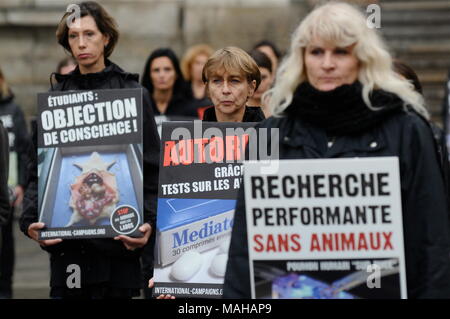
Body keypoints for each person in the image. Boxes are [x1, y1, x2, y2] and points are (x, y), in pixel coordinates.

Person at [223, 1, 450, 299]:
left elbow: (431, 242)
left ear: (362, 58)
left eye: (340, 52)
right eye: (316, 52)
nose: (327, 63)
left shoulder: (407, 130)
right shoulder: (270, 134)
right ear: (302, 59)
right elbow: (245, 244)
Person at [19, 1, 160, 299]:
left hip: (120, 247)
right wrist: (30, 218)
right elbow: (37, 170)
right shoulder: (56, 97)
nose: (81, 43)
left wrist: (148, 222)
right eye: (73, 36)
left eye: (90, 34)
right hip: (69, 251)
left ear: (106, 37)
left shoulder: (132, 94)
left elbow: (152, 169)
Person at [0, 66, 30, 299]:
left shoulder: (13, 110)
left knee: (6, 243)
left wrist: (20, 184)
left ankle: (5, 290)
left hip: (7, 188)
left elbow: (22, 149)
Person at [202, 47, 265, 122]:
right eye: (217, 81)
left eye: (234, 81)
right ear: (208, 89)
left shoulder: (272, 133)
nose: (225, 90)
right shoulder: (193, 133)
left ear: (251, 88)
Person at [142, 48, 197, 118]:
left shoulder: (190, 107)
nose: (162, 75)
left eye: (167, 69)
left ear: (176, 74)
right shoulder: (141, 106)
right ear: (149, 75)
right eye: (156, 70)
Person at [181, 44, 214, 114]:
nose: (201, 67)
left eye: (204, 63)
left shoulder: (215, 89)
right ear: (189, 66)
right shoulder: (180, 89)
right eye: (197, 63)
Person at [248, 50, 273, 117]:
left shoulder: (283, 108)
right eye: (252, 78)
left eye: (263, 77)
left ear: (272, 77)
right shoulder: (233, 110)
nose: (258, 84)